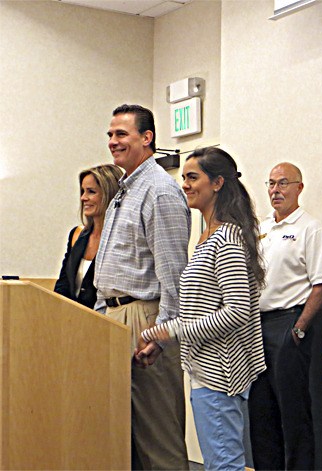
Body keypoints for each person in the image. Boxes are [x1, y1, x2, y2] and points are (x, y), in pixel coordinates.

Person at [135, 146, 266, 471]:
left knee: (224, 466)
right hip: (204, 371)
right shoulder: (207, 237)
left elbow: (237, 312)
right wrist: (162, 341)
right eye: (184, 178)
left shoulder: (227, 240)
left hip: (221, 374)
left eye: (193, 178)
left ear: (218, 183)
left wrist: (170, 330)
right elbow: (199, 309)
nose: (185, 185)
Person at [94, 104, 190, 470]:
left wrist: (161, 333)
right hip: (115, 316)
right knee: (124, 441)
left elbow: (174, 274)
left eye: (122, 134)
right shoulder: (125, 190)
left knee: (158, 441)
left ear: (147, 138)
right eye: (110, 135)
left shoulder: (159, 191)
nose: (113, 142)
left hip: (145, 319)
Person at [249, 162, 322, 470]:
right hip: (255, 327)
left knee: (293, 414)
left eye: (283, 183)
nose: (275, 190)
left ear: (299, 187)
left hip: (288, 325)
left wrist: (298, 330)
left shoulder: (310, 229)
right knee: (261, 413)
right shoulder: (260, 229)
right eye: (271, 183)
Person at [54, 164, 122, 308]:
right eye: (82, 191)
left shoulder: (121, 238)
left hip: (104, 319)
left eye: (91, 192)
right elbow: (63, 284)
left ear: (109, 194)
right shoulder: (77, 234)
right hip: (70, 320)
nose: (83, 198)